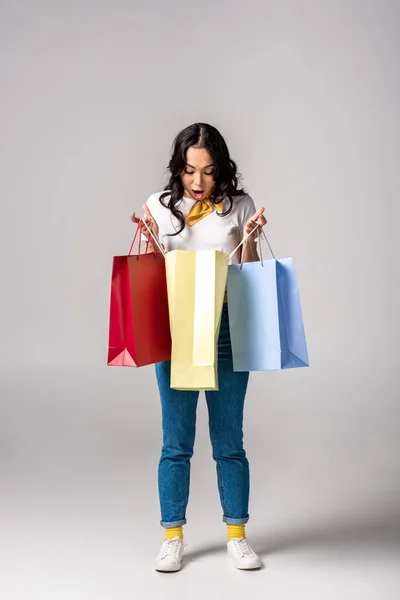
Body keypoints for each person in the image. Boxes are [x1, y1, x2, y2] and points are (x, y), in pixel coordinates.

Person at [130, 123, 267, 572]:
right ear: (179, 168)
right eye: (189, 170)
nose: (197, 181)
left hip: (226, 326)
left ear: (221, 168)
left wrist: (249, 237)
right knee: (177, 441)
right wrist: (150, 242)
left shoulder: (238, 205)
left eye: (208, 171)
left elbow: (249, 276)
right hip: (177, 327)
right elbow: (153, 275)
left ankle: (237, 535)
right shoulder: (159, 206)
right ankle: (172, 536)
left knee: (230, 441)